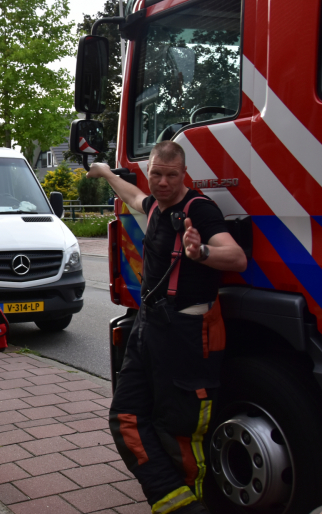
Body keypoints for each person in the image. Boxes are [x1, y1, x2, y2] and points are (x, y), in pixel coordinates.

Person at [88, 142, 247, 514]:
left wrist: (201, 253)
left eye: (171, 175)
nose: (162, 182)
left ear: (184, 175)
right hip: (149, 327)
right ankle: (175, 505)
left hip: (187, 334)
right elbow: (134, 196)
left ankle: (195, 504)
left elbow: (236, 257)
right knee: (125, 419)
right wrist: (107, 174)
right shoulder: (157, 205)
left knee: (180, 433)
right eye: (156, 173)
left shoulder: (200, 210)